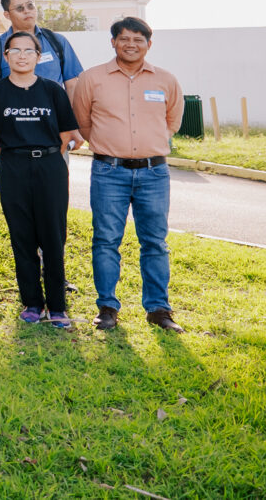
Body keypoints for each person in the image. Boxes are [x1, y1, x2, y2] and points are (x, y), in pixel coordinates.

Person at [71, 17, 185, 332]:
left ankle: (158, 310)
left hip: (154, 173)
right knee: (106, 240)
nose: (131, 44)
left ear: (148, 43)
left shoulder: (165, 80)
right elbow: (83, 121)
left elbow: (171, 121)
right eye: (124, 38)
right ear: (113, 42)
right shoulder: (92, 79)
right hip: (109, 171)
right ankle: (107, 308)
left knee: (155, 242)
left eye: (138, 39)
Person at [0, 30, 81, 329]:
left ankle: (58, 306)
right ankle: (32, 303)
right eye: (16, 50)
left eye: (29, 51)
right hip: (13, 167)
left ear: (39, 57)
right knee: (21, 236)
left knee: (53, 235)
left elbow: (65, 134)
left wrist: (46, 157)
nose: (22, 55)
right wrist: (16, 160)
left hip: (50, 165)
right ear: (6, 56)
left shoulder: (53, 90)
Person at [0, 0, 84, 91]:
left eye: (30, 6)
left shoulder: (58, 41)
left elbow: (72, 86)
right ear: (7, 15)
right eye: (20, 8)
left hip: (54, 109)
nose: (27, 11)